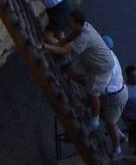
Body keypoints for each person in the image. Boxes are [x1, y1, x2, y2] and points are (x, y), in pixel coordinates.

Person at [43, 10, 120, 141]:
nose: (68, 23)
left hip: (101, 68)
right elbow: (70, 37)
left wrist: (47, 46)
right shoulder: (84, 27)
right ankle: (85, 85)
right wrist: (57, 44)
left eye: (70, 22)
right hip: (91, 61)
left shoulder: (85, 37)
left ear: (77, 23)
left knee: (93, 94)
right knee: (73, 71)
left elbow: (64, 50)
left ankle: (94, 121)